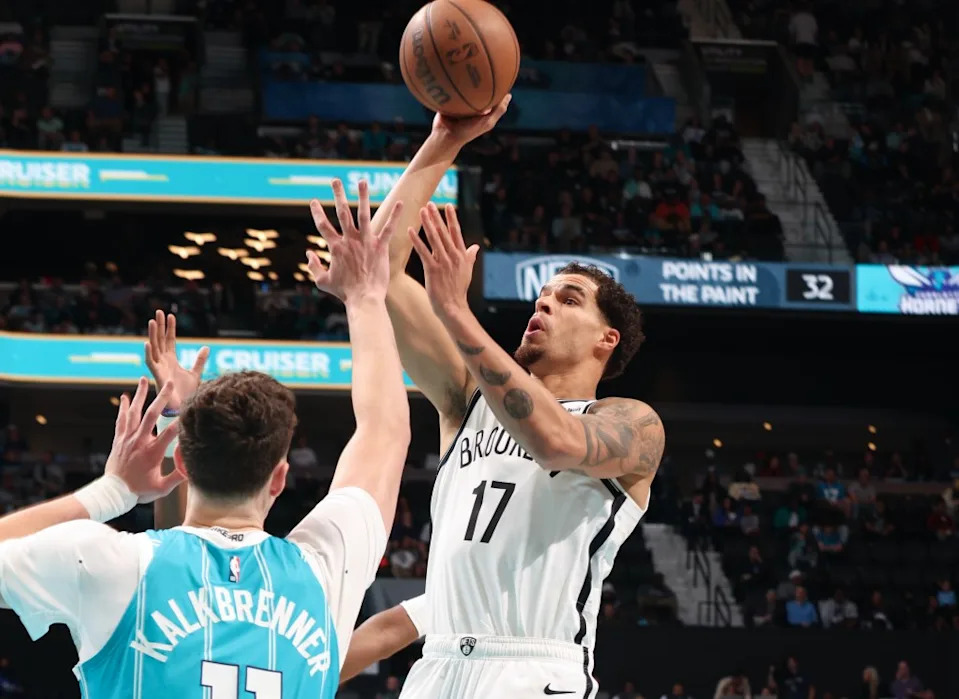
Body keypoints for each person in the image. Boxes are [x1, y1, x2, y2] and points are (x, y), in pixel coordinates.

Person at [0, 180, 411, 696]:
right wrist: (366, 297)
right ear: (279, 477)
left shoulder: (113, 564)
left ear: (185, 467)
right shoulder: (322, 569)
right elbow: (385, 429)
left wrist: (113, 492)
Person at [338, 97, 665, 697]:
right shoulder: (469, 402)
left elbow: (559, 443)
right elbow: (374, 270)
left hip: (536, 668)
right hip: (436, 667)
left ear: (607, 340)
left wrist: (457, 315)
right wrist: (444, 143)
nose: (543, 303)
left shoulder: (630, 423)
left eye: (568, 299)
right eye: (542, 295)